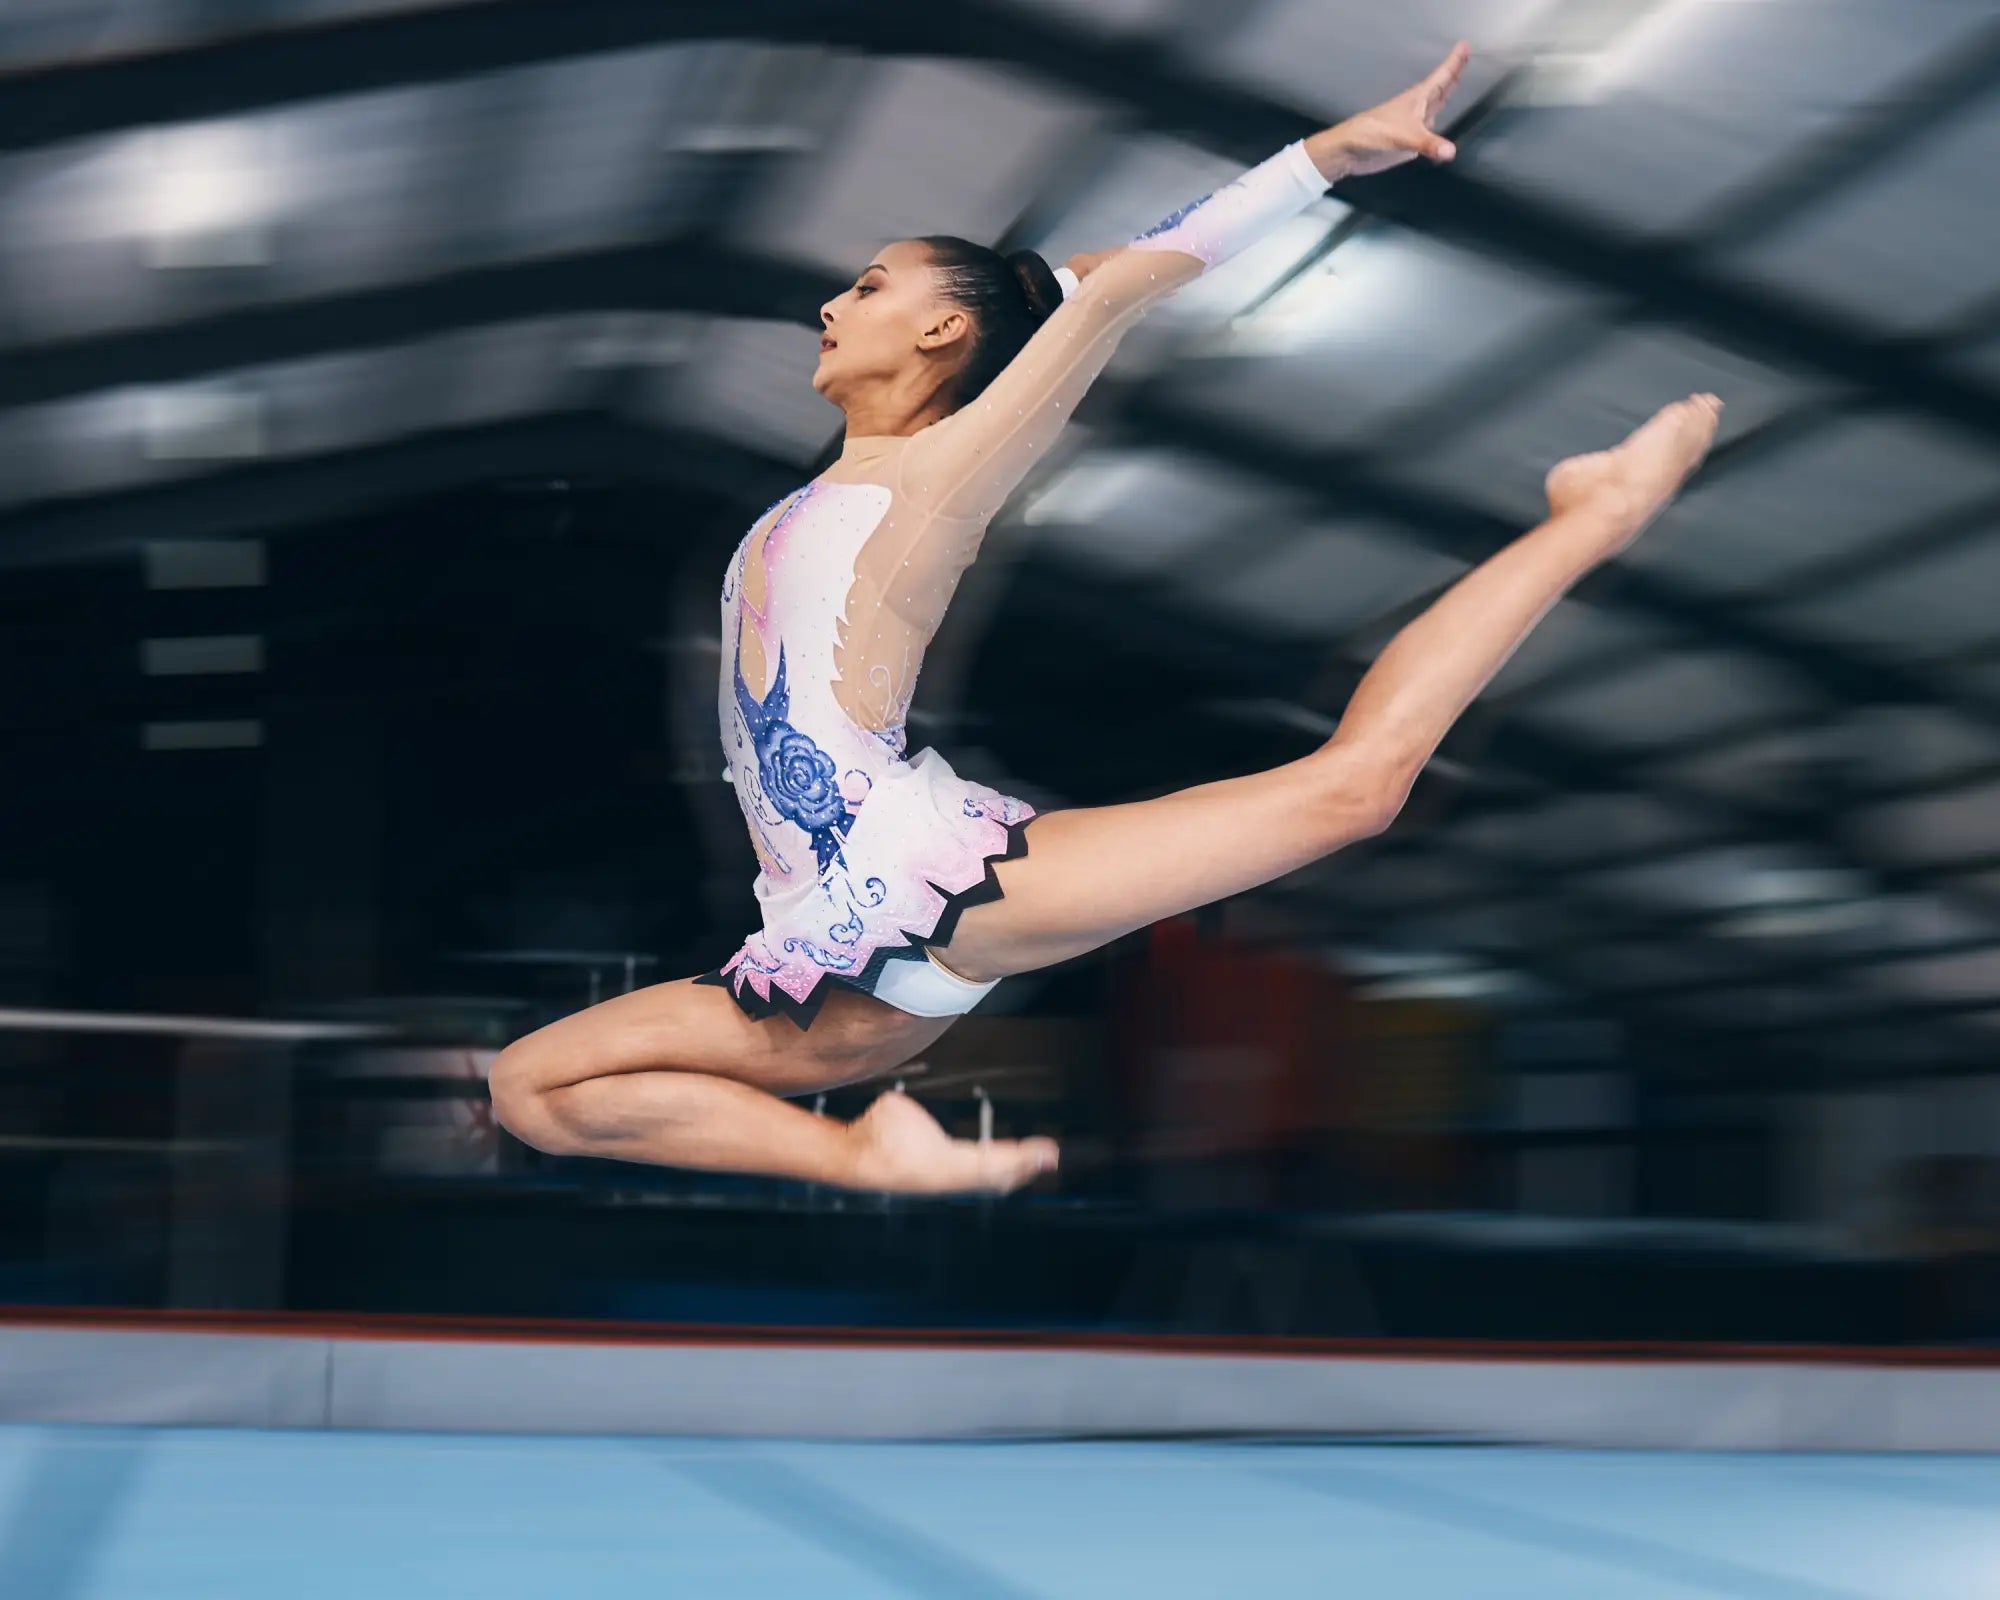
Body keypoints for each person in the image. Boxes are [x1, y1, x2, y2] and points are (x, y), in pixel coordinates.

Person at [489, 44, 1721, 1194]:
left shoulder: (932, 478)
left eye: (866, 285)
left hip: (934, 885)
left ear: (940, 329)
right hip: (820, 953)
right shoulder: (827, 489)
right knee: (531, 1089)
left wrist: (1322, 159)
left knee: (1355, 789)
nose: (828, 304)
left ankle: (1591, 515)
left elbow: (1114, 287)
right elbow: (1062, 291)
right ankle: (873, 1158)